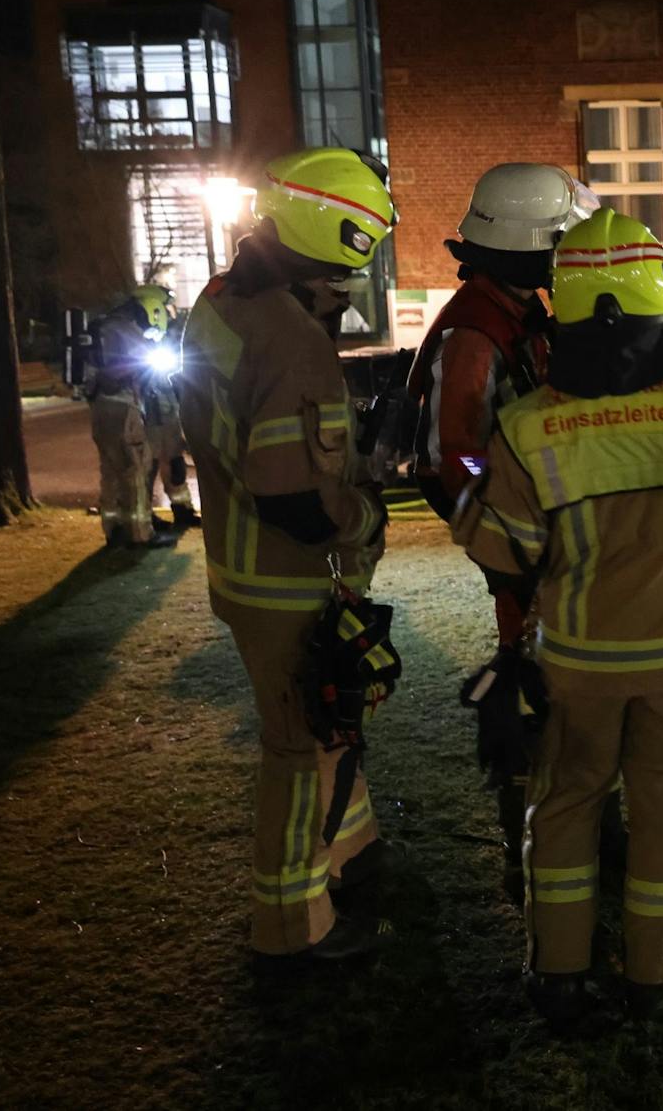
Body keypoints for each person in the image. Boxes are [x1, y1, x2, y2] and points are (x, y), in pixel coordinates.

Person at [456, 208, 663, 1025]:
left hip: (578, 664)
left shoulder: (528, 428)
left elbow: (499, 548)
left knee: (563, 807)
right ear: (652, 301)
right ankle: (658, 975)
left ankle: (557, 974)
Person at [175, 147, 400, 962]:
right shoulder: (291, 338)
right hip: (287, 580)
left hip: (240, 568)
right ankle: (292, 928)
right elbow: (297, 499)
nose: (349, 293)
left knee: (321, 725)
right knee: (298, 747)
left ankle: (355, 852)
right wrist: (365, 511)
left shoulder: (220, 300)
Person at [406, 163, 594, 896]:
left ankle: (553, 835)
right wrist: (512, 535)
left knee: (553, 685)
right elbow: (455, 454)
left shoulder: (509, 314)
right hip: (521, 548)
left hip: (530, 539)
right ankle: (538, 849)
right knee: (534, 691)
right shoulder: (478, 331)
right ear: (530, 247)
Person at [86, 284, 180, 549]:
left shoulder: (104, 326)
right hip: (124, 407)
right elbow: (146, 364)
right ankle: (141, 533)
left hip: (100, 408)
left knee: (111, 471)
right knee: (137, 469)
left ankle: (113, 529)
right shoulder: (127, 330)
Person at [140, 295, 198, 529]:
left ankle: (182, 510)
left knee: (175, 462)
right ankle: (146, 516)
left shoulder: (167, 335)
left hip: (167, 408)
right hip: (149, 412)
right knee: (149, 464)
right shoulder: (136, 337)